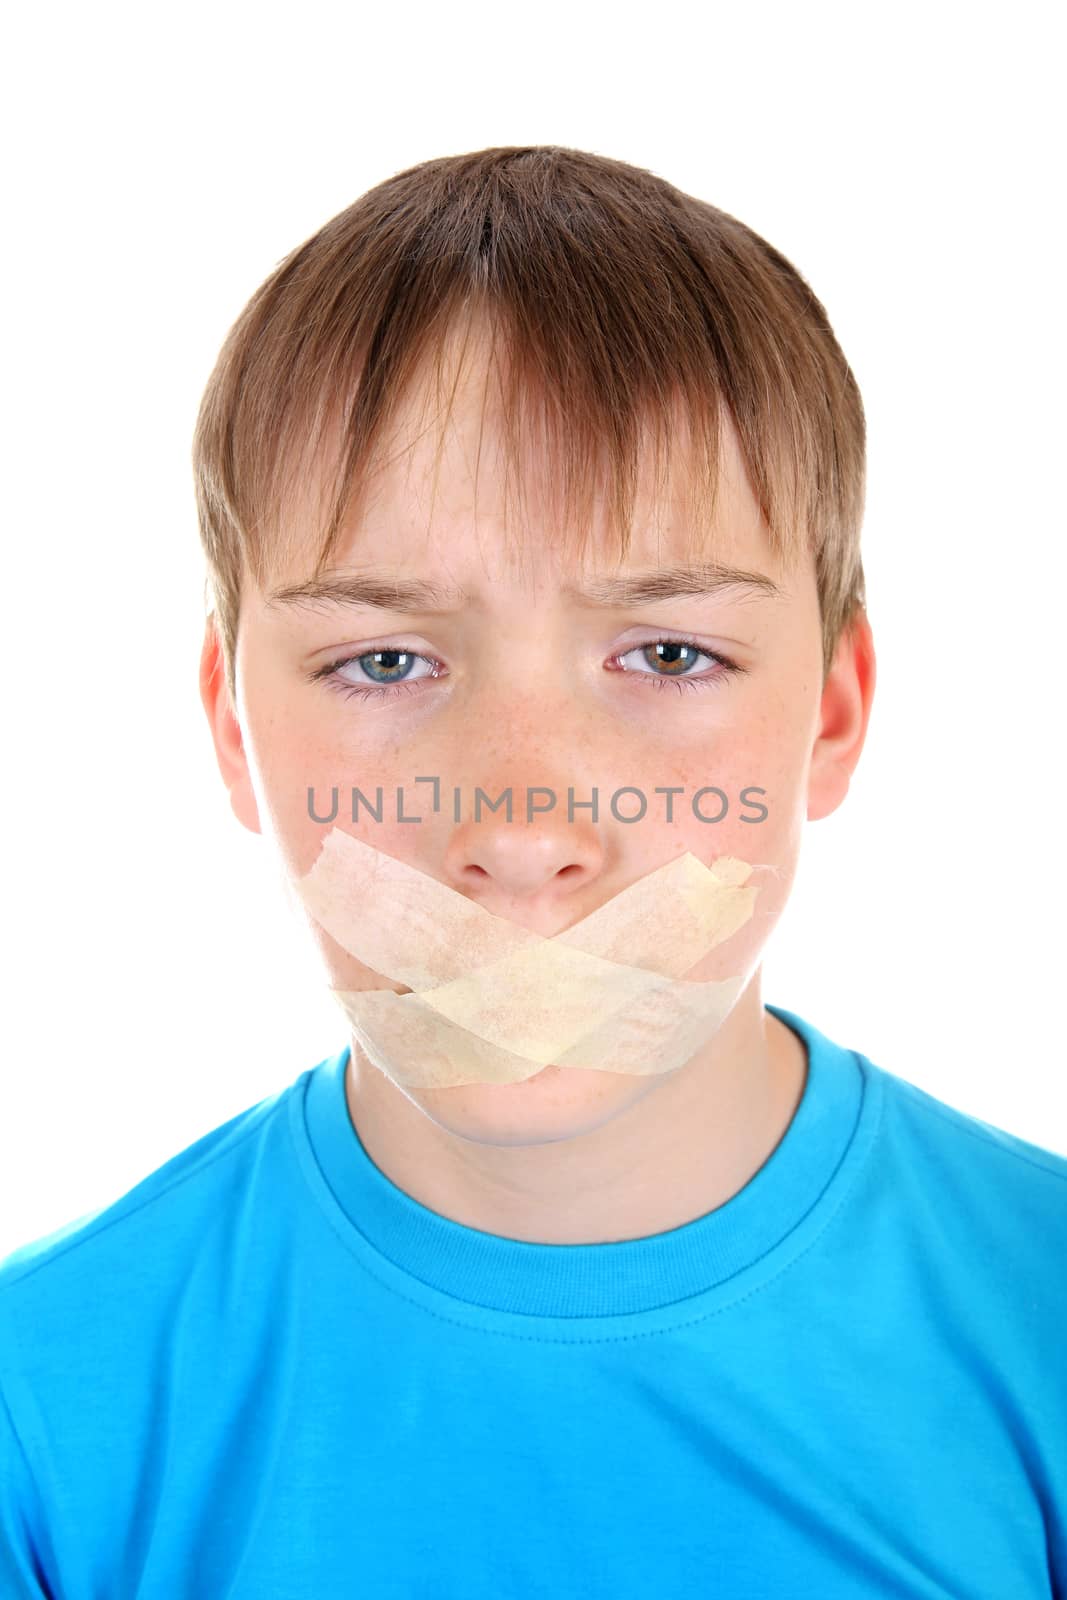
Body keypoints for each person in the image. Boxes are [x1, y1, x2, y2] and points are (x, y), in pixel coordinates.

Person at [1, 144, 1063, 1597]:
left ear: (830, 711)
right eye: (383, 661)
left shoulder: (1040, 1328)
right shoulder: (46, 1416)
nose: (518, 830)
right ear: (234, 732)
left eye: (670, 654)